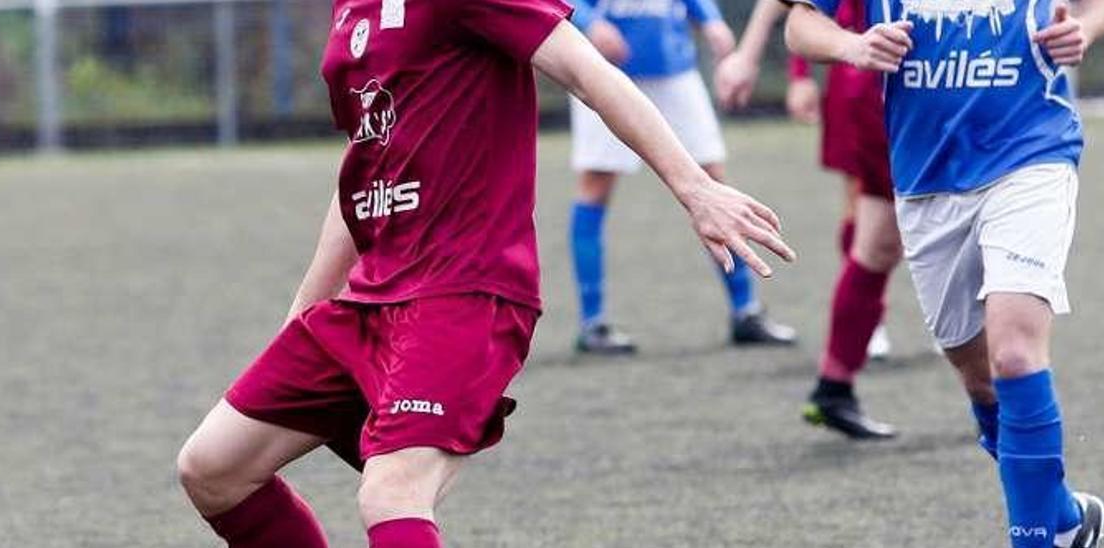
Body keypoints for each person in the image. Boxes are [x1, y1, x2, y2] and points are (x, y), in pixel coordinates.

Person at [174, 2, 796, 546]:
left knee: (392, 495)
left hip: (464, 292)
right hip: (371, 298)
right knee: (213, 469)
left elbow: (588, 71)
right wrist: (303, 314)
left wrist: (695, 188)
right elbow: (367, 159)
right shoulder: (350, 10)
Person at [782, 0, 1104, 546]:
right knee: (977, 371)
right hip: (926, 178)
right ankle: (1061, 512)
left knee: (1013, 352)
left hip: (1032, 153)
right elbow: (798, 25)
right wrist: (852, 46)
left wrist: (1085, 28)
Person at [568, 0, 798, 354]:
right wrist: (587, 20)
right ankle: (593, 322)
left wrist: (709, 19)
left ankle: (745, 311)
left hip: (674, 68)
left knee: (713, 181)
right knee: (595, 187)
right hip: (603, 68)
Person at [716, 0, 899, 439]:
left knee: (882, 234)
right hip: (876, 84)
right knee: (871, 215)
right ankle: (995, 394)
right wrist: (785, 70)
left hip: (926, 91)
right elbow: (797, 10)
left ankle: (838, 382)